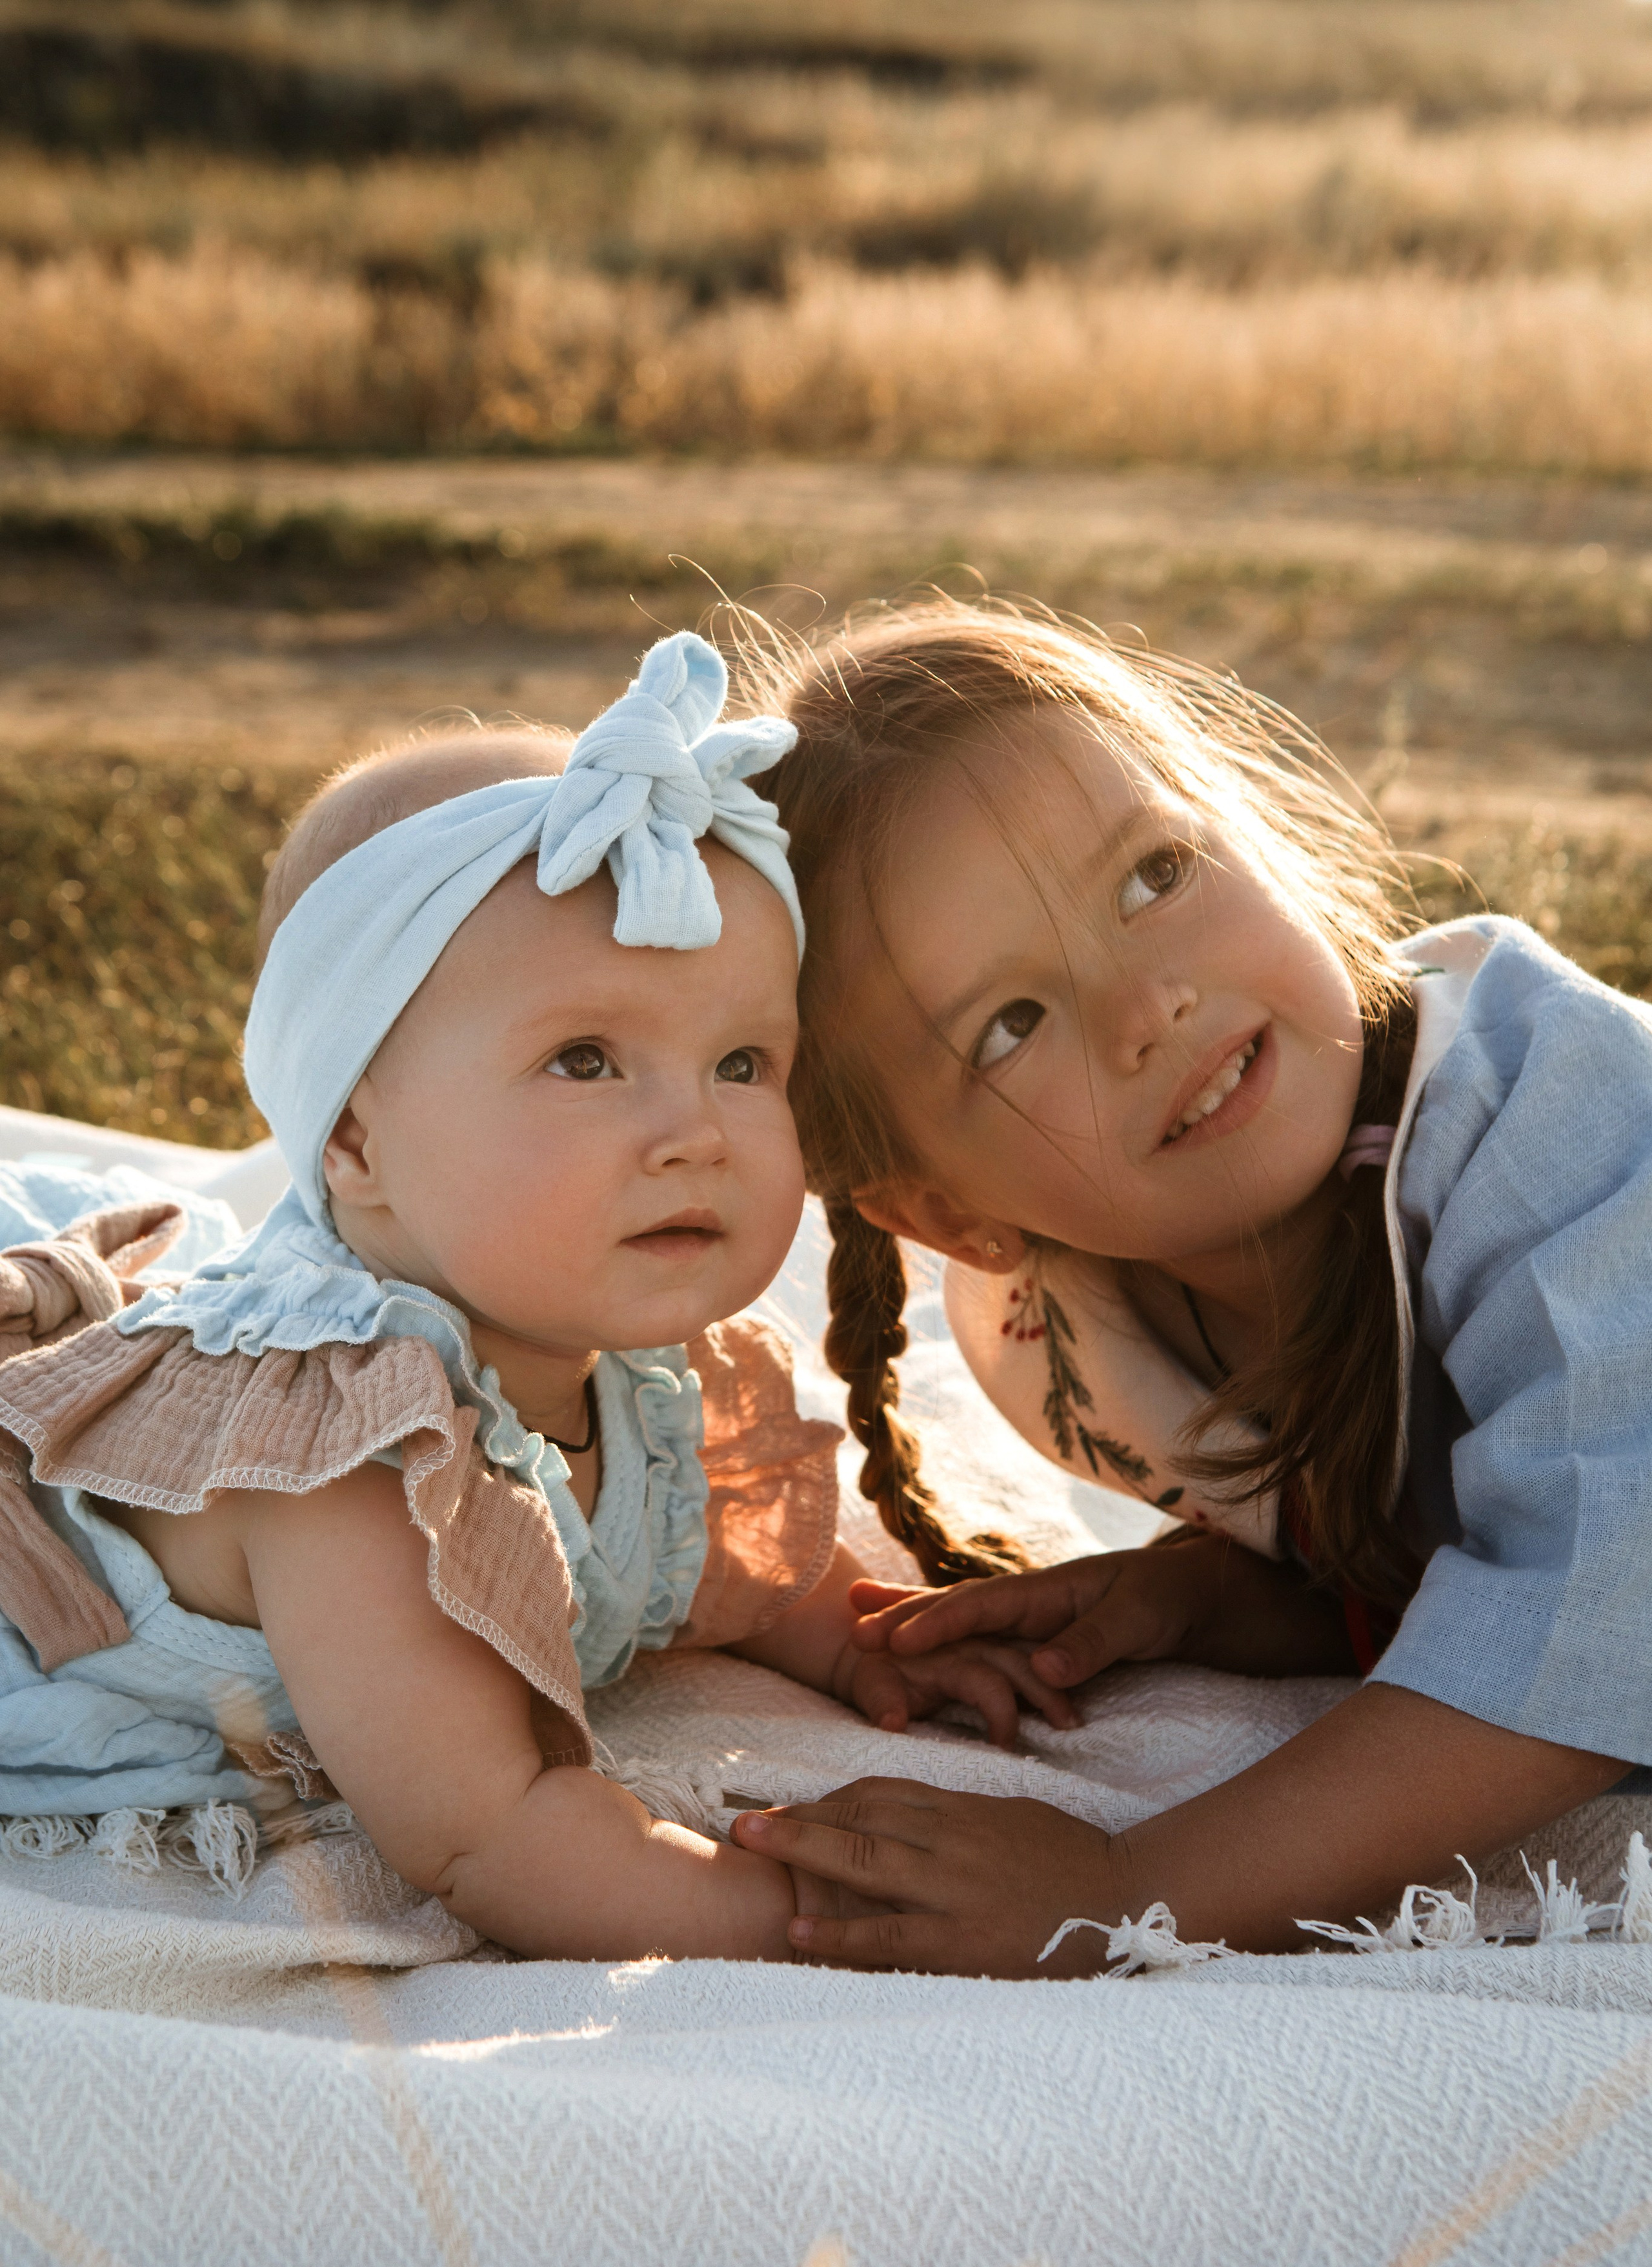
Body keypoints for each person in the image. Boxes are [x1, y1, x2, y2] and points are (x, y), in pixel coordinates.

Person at [0, 633, 1062, 1962]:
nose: (695, 1132)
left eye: (740, 1061)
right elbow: (485, 1830)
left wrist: (859, 1645)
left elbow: (698, 1539)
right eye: (585, 1059)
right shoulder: (346, 1459)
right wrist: (789, 1913)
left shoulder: (640, 1351)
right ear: (355, 1143)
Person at [727, 598, 1643, 1970]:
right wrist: (1219, 1600)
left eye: (1154, 875)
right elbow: (1454, 1549)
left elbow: (1600, 1610)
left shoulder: (1573, 1136)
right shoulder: (1077, 1334)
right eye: (1012, 1024)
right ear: (949, 1215)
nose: (1145, 1004)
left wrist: (1129, 1880)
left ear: (1251, 829)